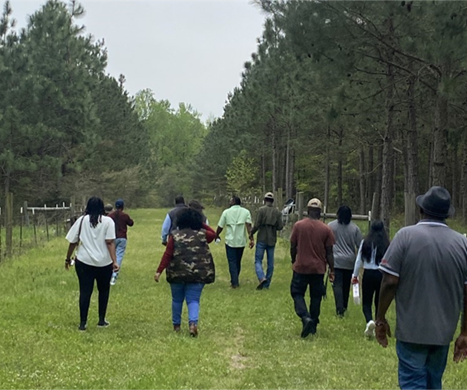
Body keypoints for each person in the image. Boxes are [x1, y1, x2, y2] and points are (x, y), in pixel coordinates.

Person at [376, 186, 467, 389]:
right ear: (447, 215)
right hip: (443, 332)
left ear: (421, 210)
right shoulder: (462, 243)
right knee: (433, 381)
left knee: (412, 382)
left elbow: (390, 281)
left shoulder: (404, 237)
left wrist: (380, 318)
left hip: (411, 330)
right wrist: (465, 332)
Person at [154, 208, 216, 337]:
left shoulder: (175, 235)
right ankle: (193, 324)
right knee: (193, 300)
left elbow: (168, 254)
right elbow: (213, 233)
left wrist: (159, 270)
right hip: (198, 273)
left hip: (177, 273)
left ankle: (176, 325)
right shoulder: (203, 234)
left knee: (177, 300)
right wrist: (200, 223)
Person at [65, 197, 119, 331]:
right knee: (104, 290)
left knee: (85, 291)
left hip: (84, 261)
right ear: (102, 208)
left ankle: (83, 323)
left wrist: (67, 258)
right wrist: (114, 261)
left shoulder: (81, 220)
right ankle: (101, 320)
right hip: (104, 262)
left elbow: (73, 242)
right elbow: (110, 242)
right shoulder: (108, 221)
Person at [290, 198, 335, 338]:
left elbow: (293, 246)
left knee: (297, 293)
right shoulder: (326, 229)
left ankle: (305, 317)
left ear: (308, 211)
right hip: (318, 269)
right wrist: (332, 269)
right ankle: (313, 324)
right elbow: (329, 252)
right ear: (320, 212)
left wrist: (294, 260)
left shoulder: (298, 225)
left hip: (301, 266)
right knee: (316, 297)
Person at [351, 220, 389, 338]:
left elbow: (359, 261)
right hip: (381, 274)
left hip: (368, 273)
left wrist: (355, 275)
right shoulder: (386, 244)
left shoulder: (365, 242)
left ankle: (369, 321)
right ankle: (378, 322)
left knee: (366, 302)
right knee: (379, 300)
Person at [328, 205, 362, 317]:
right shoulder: (355, 228)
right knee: (346, 286)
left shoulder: (331, 226)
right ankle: (344, 306)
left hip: (336, 260)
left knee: (337, 285)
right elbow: (360, 245)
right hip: (349, 261)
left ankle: (339, 309)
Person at [216, 196, 254, 289]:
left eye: (230, 200)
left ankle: (234, 282)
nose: (229, 201)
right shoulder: (246, 212)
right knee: (238, 261)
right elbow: (248, 226)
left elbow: (220, 226)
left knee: (232, 261)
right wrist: (251, 238)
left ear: (233, 202)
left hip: (230, 240)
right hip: (241, 240)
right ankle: (235, 279)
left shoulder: (226, 212)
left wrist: (216, 234)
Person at [249, 192, 284, 290]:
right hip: (272, 239)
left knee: (258, 260)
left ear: (265, 200)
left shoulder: (261, 210)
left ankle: (261, 277)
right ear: (272, 201)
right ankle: (267, 284)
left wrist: (251, 233)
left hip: (261, 238)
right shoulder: (277, 212)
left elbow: (256, 225)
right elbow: (280, 226)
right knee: (270, 263)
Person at [109, 199, 134, 286]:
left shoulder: (110, 215)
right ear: (122, 207)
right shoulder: (125, 215)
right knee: (119, 256)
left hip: (112, 237)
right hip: (122, 237)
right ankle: (114, 275)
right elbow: (131, 223)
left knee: (110, 255)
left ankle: (108, 272)